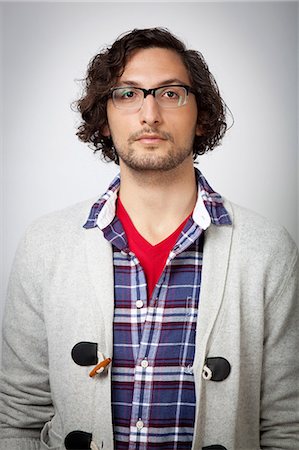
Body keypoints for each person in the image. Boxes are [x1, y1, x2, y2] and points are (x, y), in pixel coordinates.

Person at [0, 27, 298, 450]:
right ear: (104, 119)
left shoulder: (269, 250)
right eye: (127, 94)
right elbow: (16, 418)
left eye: (171, 93)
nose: (150, 114)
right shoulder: (45, 244)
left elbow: (288, 426)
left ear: (202, 115)